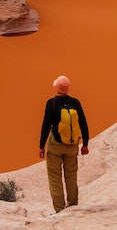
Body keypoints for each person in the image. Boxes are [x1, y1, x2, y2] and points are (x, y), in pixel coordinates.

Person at [38, 75, 90, 212]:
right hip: (72, 145)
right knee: (71, 174)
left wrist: (41, 146)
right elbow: (83, 123)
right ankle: (72, 205)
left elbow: (45, 125)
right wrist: (85, 144)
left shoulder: (52, 103)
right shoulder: (75, 102)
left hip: (55, 144)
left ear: (56, 88)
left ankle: (60, 209)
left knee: (55, 176)